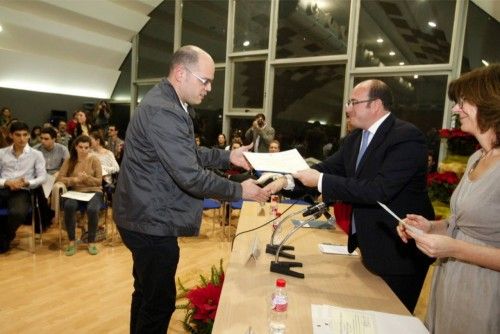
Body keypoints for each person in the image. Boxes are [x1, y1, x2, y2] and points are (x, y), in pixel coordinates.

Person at [113, 45, 270, 333]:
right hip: (151, 222)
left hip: (143, 215)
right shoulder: (165, 111)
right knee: (158, 303)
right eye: (205, 80)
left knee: (146, 294)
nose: (209, 88)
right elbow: (191, 176)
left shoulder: (169, 103)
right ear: (181, 73)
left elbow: (188, 153)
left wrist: (227, 156)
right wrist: (239, 191)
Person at [265, 79, 434, 312]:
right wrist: (286, 180)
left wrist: (321, 181)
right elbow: (327, 169)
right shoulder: (355, 139)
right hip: (369, 247)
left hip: (399, 253)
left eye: (354, 102)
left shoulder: (406, 137)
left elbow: (378, 190)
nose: (347, 108)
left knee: (392, 320)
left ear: (375, 105)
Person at [398, 65, 500, 333]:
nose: (455, 110)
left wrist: (454, 249)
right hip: (450, 280)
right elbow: (462, 222)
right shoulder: (477, 158)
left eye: (462, 102)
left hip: (485, 292)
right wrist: (430, 226)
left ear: (488, 103)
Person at [0, 122, 46, 253]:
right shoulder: (1, 153)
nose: (22, 138)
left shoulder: (36, 154)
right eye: (18, 135)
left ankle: (6, 236)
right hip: (3, 188)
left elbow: (43, 177)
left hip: (22, 190)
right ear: (10, 135)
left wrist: (27, 183)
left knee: (18, 213)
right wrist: (7, 182)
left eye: (25, 135)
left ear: (29, 136)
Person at [56, 135, 103, 256]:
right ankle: (72, 241)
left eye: (86, 147)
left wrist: (87, 179)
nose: (83, 150)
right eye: (81, 147)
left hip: (93, 191)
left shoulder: (94, 160)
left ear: (89, 148)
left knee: (93, 209)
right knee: (69, 206)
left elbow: (99, 181)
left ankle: (91, 241)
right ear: (76, 147)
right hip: (76, 192)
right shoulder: (69, 160)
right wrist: (75, 180)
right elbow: (59, 178)